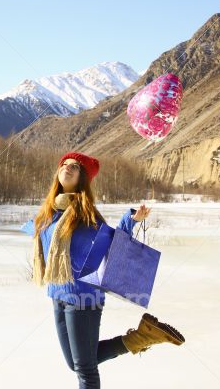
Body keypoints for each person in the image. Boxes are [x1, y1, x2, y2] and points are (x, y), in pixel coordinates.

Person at [23, 151, 185, 389]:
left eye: (75, 166)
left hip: (83, 298)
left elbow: (113, 243)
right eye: (64, 164)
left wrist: (131, 220)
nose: (68, 167)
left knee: (85, 370)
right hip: (57, 294)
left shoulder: (85, 216)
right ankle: (142, 336)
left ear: (83, 179)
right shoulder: (48, 214)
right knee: (75, 364)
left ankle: (143, 336)